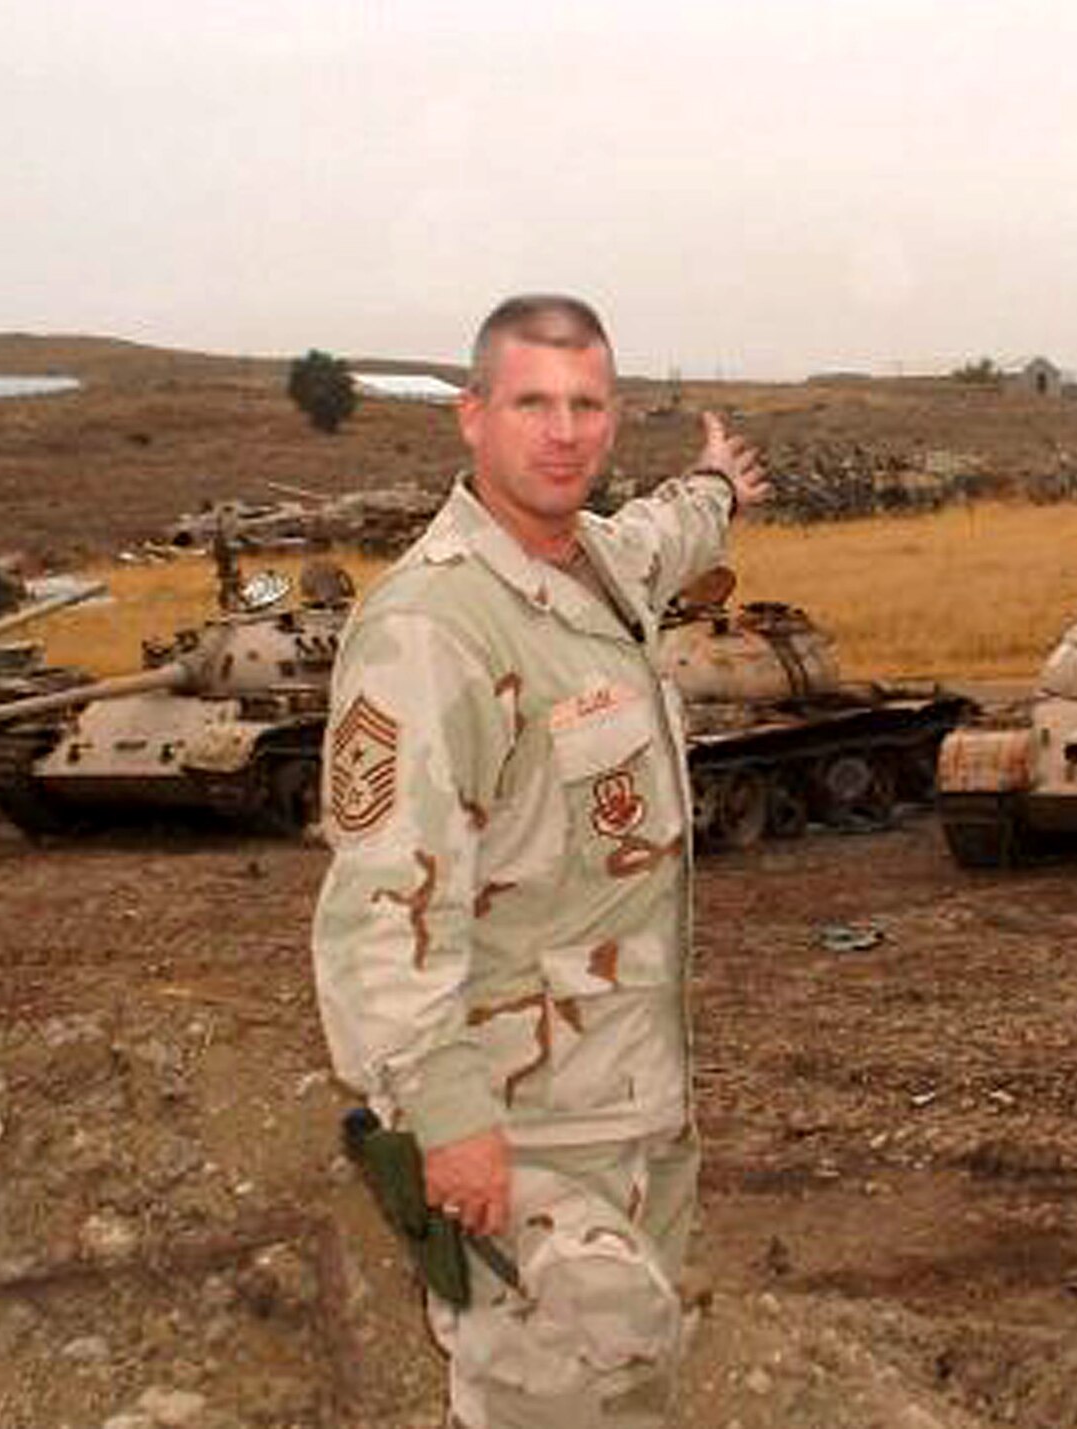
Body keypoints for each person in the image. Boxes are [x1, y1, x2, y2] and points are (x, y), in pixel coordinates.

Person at [311, 293, 768, 1427]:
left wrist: (715, 482)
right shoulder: (434, 629)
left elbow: (669, 534)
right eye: (531, 404)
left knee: (629, 1376)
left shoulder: (601, 563)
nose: (561, 432)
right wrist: (443, 1114)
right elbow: (382, 905)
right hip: (517, 1126)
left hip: (631, 1101)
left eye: (585, 406)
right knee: (546, 1394)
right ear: (472, 416)